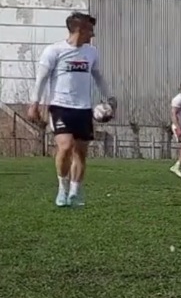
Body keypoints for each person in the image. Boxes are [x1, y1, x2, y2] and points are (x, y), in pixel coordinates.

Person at [27, 11, 118, 207]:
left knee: (81, 153)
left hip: (83, 109)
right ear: (79, 29)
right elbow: (41, 79)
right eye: (90, 29)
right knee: (66, 146)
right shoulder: (54, 51)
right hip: (60, 107)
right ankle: (62, 189)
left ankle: (75, 193)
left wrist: (110, 98)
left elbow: (98, 77)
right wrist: (34, 103)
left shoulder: (91, 53)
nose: (92, 34)